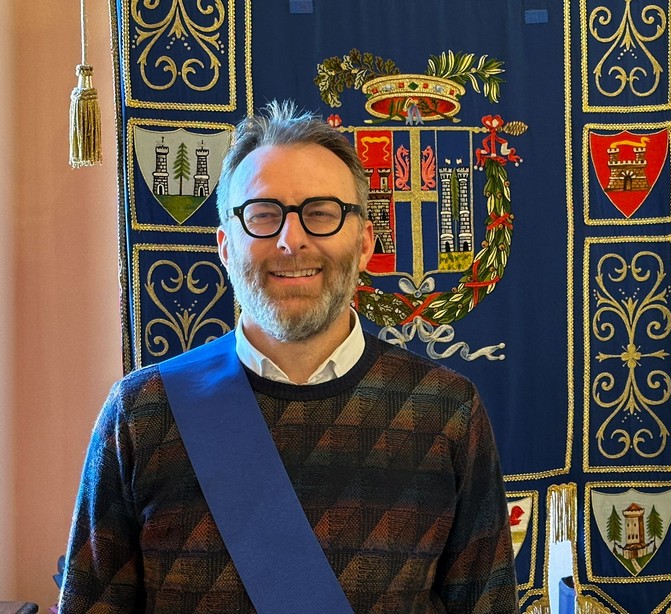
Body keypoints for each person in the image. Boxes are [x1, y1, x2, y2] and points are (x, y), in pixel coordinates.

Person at [58, 101, 519, 613]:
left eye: (321, 213)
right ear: (226, 246)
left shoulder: (447, 410)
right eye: (263, 215)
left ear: (365, 243)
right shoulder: (141, 412)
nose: (291, 240)